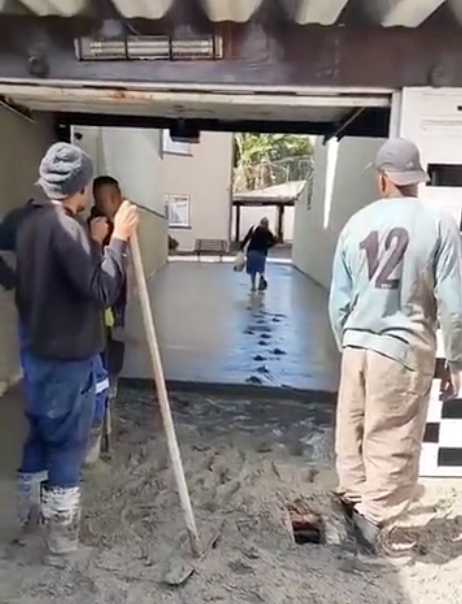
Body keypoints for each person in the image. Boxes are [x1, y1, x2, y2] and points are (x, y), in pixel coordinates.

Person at [328, 138, 462, 555]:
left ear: (384, 179)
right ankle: (371, 519)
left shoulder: (355, 224)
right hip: (403, 350)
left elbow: (338, 302)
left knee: (353, 431)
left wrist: (348, 346)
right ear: (416, 178)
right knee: (394, 438)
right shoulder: (439, 225)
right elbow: (454, 306)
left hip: (357, 346)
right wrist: (455, 360)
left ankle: (353, 499)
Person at [14, 142, 138, 563]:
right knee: (66, 446)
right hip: (67, 358)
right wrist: (117, 240)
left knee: (38, 438)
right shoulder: (67, 231)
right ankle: (62, 543)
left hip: (36, 352)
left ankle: (29, 518)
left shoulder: (29, 224)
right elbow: (101, 291)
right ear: (80, 189)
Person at [85, 175, 129, 462]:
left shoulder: (117, 227)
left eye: (111, 198)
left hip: (110, 314)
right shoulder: (97, 231)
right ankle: (94, 441)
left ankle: (103, 427)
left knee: (108, 369)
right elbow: (99, 282)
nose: (109, 204)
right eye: (105, 199)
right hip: (96, 316)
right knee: (99, 376)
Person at [240, 217, 276, 292]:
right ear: (267, 224)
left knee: (252, 270)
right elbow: (273, 242)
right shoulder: (268, 232)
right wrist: (267, 246)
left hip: (251, 252)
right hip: (261, 253)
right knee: (261, 269)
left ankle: (253, 286)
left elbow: (247, 238)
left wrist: (241, 247)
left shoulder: (253, 229)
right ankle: (261, 282)